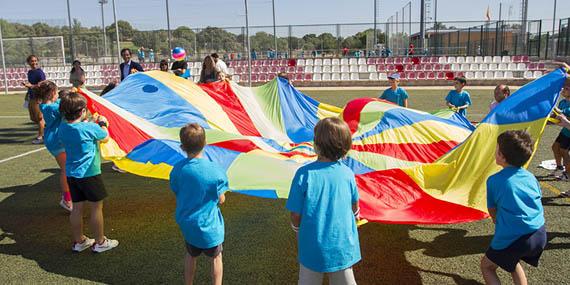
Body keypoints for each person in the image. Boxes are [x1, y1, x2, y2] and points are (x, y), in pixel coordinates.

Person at [286, 117, 361, 284]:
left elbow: (295, 215)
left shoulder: (303, 174)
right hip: (342, 247)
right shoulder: (348, 173)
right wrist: (355, 216)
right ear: (345, 146)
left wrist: (297, 229)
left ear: (316, 144)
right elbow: (355, 205)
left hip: (312, 247)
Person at [481, 130, 546, 285]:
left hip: (513, 237)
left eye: (496, 149)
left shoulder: (495, 180)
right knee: (512, 260)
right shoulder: (530, 177)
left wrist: (498, 222)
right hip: (539, 234)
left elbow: (492, 210)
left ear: (501, 156)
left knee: (487, 266)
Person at [58, 92, 119, 253]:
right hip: (90, 174)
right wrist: (103, 123)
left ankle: (79, 241)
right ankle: (100, 242)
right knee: (96, 208)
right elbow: (104, 136)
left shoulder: (63, 127)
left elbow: (80, 129)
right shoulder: (89, 127)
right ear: (82, 111)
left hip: (72, 174)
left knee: (77, 209)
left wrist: (91, 123)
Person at [170, 123, 227, 285]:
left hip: (188, 224)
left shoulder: (177, 170)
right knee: (216, 257)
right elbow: (221, 199)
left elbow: (177, 190)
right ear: (205, 144)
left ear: (182, 146)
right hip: (210, 227)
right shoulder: (215, 170)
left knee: (190, 254)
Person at [36, 80, 72, 211]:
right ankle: (67, 199)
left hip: (57, 139)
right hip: (57, 141)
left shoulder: (47, 105)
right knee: (66, 169)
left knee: (68, 167)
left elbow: (59, 103)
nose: (57, 94)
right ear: (52, 93)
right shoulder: (52, 107)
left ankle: (69, 195)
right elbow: (65, 106)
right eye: (57, 92)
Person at [22, 55, 46, 144]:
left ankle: (40, 137)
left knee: (40, 118)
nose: (34, 62)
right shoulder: (30, 72)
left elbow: (42, 85)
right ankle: (45, 129)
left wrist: (31, 86)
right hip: (31, 97)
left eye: (35, 60)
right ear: (28, 62)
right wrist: (28, 91)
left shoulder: (40, 72)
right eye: (32, 61)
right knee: (33, 118)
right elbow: (31, 85)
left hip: (39, 97)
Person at [551, 84, 570, 181]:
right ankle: (559, 167)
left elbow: (563, 115)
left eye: (566, 89)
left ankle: (568, 173)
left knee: (564, 151)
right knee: (555, 147)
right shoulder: (562, 102)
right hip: (565, 131)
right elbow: (556, 115)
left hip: (569, 133)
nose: (563, 90)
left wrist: (558, 112)